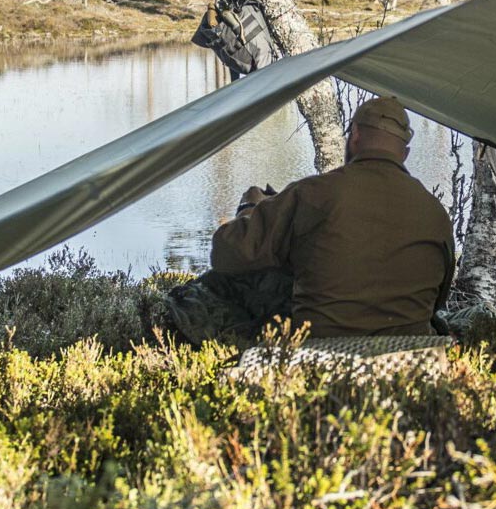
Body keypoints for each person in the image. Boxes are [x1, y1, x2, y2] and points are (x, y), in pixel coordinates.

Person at [166, 95, 455, 344]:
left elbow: (225, 253)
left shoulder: (313, 194)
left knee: (209, 288)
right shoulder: (435, 213)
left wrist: (250, 210)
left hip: (322, 350)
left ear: (353, 136)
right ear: (404, 153)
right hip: (411, 355)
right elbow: (438, 301)